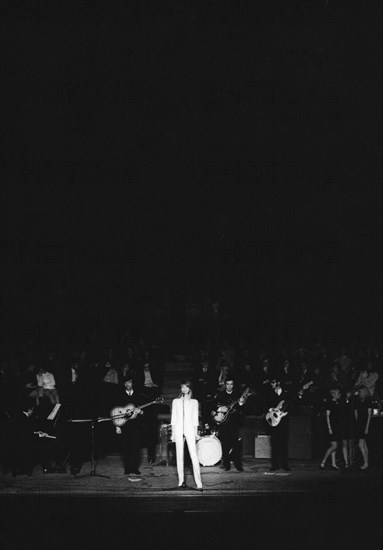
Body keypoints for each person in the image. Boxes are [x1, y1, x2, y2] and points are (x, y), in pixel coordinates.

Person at [171, 381, 203, 490]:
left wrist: (196, 432)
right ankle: (181, 481)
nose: (184, 389)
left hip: (190, 430)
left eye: (186, 387)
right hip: (179, 430)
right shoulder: (176, 401)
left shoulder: (194, 402)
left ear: (189, 388)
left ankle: (198, 482)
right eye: (182, 387)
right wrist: (173, 433)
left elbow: (195, 419)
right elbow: (173, 418)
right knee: (179, 456)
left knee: (193, 455)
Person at [211, 376, 245, 471]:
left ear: (233, 385)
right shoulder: (220, 394)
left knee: (236, 445)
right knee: (225, 445)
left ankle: (238, 465)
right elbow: (214, 406)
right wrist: (217, 414)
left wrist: (241, 404)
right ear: (225, 385)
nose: (229, 386)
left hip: (234, 423)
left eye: (231, 384)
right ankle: (226, 465)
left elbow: (241, 410)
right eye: (228, 384)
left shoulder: (237, 395)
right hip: (224, 423)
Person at [115, 376, 146, 476]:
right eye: (126, 383)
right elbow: (115, 412)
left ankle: (135, 468)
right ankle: (127, 469)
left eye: (129, 382)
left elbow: (143, 411)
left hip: (135, 426)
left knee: (136, 447)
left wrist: (140, 411)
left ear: (132, 383)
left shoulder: (138, 395)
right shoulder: (119, 395)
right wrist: (117, 426)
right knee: (125, 447)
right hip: (124, 425)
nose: (128, 384)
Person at [265, 378, 291, 472]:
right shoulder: (269, 393)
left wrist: (285, 413)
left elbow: (292, 406)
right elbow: (266, 405)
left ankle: (285, 464)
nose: (271, 384)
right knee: (274, 444)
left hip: (283, 422)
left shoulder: (286, 394)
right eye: (271, 383)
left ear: (278, 383)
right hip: (274, 422)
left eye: (273, 382)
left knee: (284, 444)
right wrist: (270, 409)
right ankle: (275, 465)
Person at [320, 387, 344, 470]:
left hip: (337, 426)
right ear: (333, 394)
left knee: (335, 445)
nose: (340, 395)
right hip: (332, 426)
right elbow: (327, 416)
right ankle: (323, 461)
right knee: (334, 445)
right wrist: (329, 427)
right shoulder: (329, 403)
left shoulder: (338, 402)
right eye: (338, 393)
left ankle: (333, 464)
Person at [354, 385, 372, 470]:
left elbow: (369, 415)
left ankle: (366, 463)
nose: (359, 393)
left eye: (360, 391)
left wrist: (367, 427)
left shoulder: (368, 401)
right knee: (364, 444)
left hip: (365, 423)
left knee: (361, 444)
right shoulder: (357, 401)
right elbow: (356, 413)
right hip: (360, 424)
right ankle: (366, 462)